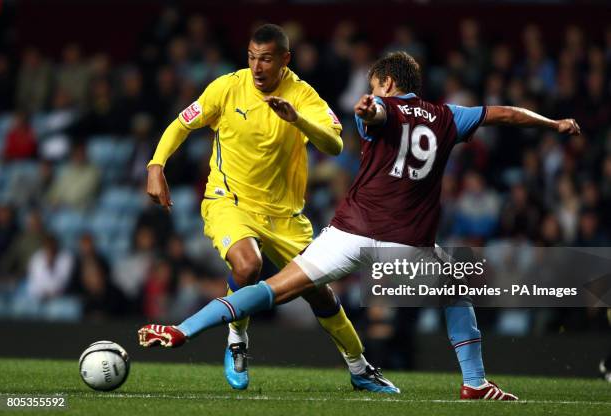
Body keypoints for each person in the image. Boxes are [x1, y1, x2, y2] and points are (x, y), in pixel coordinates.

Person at [140, 51, 582, 399]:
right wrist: (554, 122)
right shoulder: (448, 117)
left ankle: (183, 329)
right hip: (405, 248)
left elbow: (376, 116)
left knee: (272, 289)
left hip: (348, 235)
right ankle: (475, 381)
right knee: (456, 288)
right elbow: (503, 113)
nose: (372, 93)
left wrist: (370, 110)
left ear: (387, 83)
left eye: (375, 86)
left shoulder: (380, 108)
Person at [143, 24, 396, 393]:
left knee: (320, 293)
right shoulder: (227, 87)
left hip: (285, 217)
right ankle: (236, 342)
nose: (257, 67)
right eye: (251, 57)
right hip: (229, 201)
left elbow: (335, 145)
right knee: (248, 264)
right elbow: (181, 124)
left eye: (266, 59)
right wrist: (156, 166)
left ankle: (360, 368)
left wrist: (298, 119)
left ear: (285, 59)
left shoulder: (303, 95)